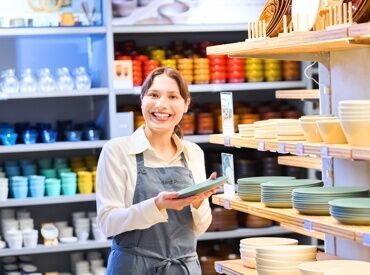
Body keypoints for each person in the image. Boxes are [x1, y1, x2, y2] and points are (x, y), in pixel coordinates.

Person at [96, 67, 218, 275]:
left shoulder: (193, 153)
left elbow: (199, 228)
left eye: (173, 96)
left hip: (183, 269)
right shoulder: (117, 151)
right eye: (153, 95)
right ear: (142, 99)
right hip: (133, 269)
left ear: (186, 104)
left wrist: (198, 202)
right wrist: (156, 205)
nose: (162, 104)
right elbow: (107, 224)